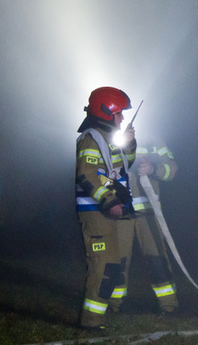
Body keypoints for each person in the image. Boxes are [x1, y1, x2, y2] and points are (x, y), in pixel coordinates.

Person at [74, 86, 137, 330]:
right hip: (96, 212)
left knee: (111, 265)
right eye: (119, 113)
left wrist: (130, 145)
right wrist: (109, 201)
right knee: (102, 265)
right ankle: (90, 322)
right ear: (106, 111)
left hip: (109, 211)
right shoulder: (91, 138)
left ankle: (98, 318)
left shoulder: (109, 138)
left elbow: (123, 166)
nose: (122, 118)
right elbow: (87, 174)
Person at [109, 138, 180, 314]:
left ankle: (169, 305)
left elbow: (172, 169)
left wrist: (153, 169)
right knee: (117, 259)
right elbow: (100, 170)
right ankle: (113, 304)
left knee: (156, 258)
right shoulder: (112, 138)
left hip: (148, 212)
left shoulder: (153, 141)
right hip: (120, 211)